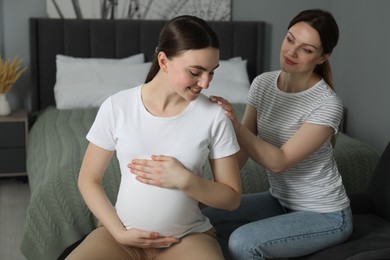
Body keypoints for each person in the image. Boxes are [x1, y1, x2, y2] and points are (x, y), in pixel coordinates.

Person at [67, 15, 241, 260]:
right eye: (195, 72)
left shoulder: (214, 116)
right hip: (120, 238)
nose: (205, 83)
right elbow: (88, 180)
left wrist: (184, 180)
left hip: (187, 238)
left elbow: (232, 198)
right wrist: (119, 233)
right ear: (164, 61)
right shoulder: (118, 106)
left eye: (212, 73)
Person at [204, 9, 353, 260]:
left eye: (306, 49)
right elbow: (243, 149)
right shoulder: (263, 83)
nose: (291, 52)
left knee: (244, 243)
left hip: (325, 214)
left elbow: (279, 162)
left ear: (323, 57)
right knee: (202, 219)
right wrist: (210, 190)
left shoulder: (327, 103)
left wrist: (234, 124)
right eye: (290, 39)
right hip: (279, 201)